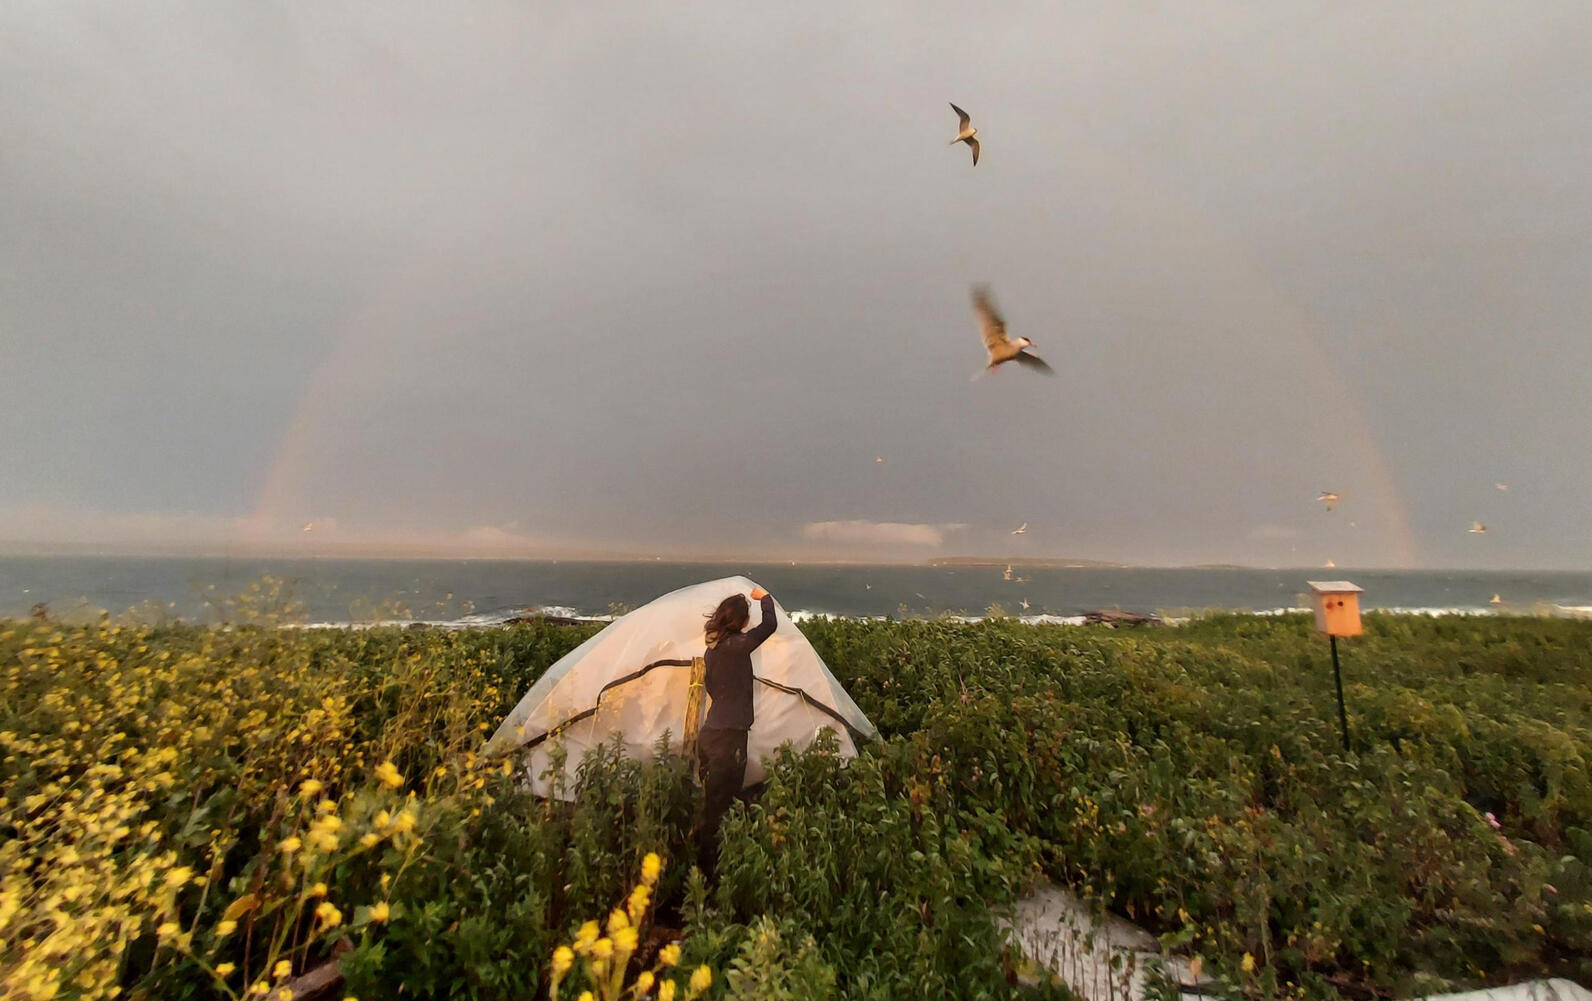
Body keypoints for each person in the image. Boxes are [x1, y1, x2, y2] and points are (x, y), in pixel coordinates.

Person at [696, 585, 777, 875]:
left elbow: (714, 689)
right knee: (722, 807)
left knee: (713, 803)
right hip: (729, 736)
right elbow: (770, 625)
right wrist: (765, 597)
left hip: (712, 732)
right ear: (740, 620)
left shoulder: (713, 648)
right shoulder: (738, 646)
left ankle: (708, 867)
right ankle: (711, 874)